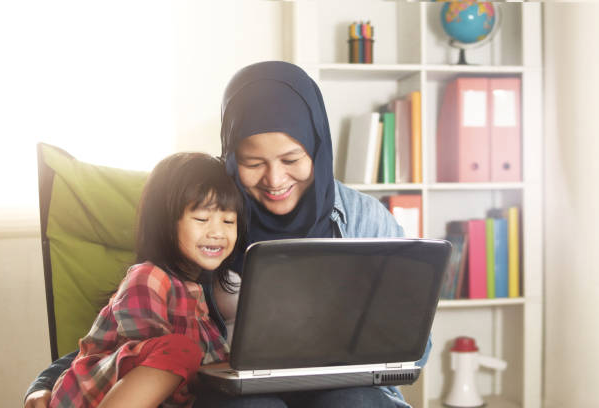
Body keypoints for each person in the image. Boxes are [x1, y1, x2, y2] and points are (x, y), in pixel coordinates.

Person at [25, 61, 430, 408]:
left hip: (343, 389)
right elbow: (123, 336)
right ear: (232, 157)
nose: (275, 180)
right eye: (253, 162)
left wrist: (380, 340)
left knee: (353, 402)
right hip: (240, 390)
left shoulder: (362, 219)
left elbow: (414, 341)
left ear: (318, 148)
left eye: (292, 159)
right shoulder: (211, 215)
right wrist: (46, 381)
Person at [45, 152, 245, 408]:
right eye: (202, 219)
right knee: (181, 351)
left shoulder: (197, 295)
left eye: (229, 221)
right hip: (92, 398)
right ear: (164, 223)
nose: (217, 232)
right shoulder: (149, 277)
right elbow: (151, 359)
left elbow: (205, 368)